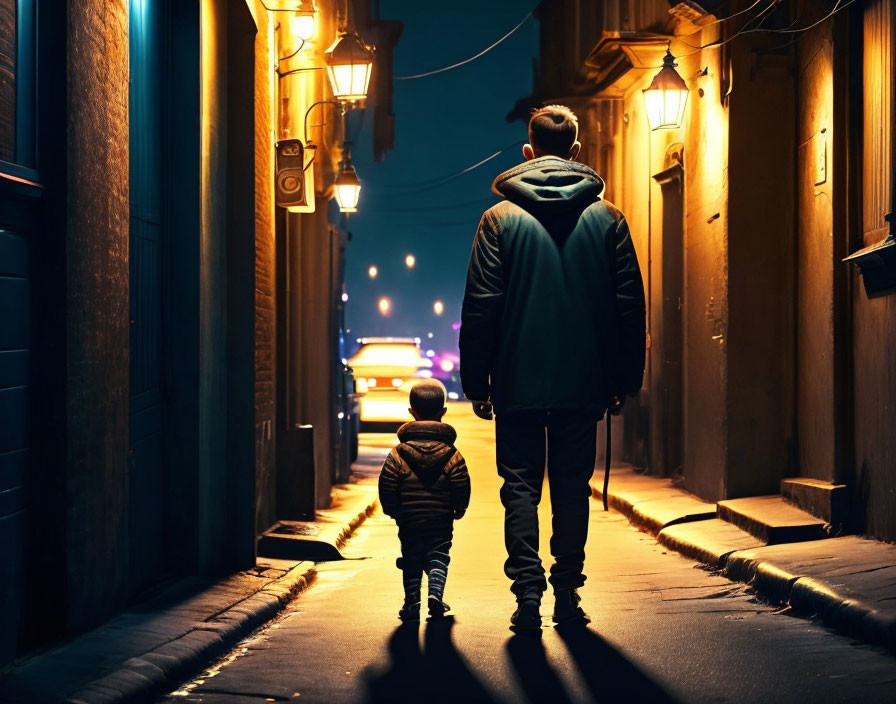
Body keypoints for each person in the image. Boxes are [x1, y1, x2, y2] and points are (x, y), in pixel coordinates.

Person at [459, 104, 646, 635]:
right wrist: (624, 379)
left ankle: (526, 595)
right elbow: (628, 304)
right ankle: (567, 592)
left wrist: (479, 381)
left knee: (519, 486)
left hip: (516, 382)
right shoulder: (608, 220)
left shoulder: (497, 220)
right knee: (571, 486)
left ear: (528, 151)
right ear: (577, 152)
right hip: (583, 382)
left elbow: (482, 305)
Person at [378, 380, 471, 621]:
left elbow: (388, 482)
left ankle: (411, 603)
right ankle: (435, 596)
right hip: (441, 517)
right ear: (443, 412)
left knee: (411, 556)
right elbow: (460, 481)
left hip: (408, 517)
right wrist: (459, 507)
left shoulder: (398, 454)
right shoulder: (452, 453)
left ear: (412, 412)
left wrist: (392, 508)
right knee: (439, 554)